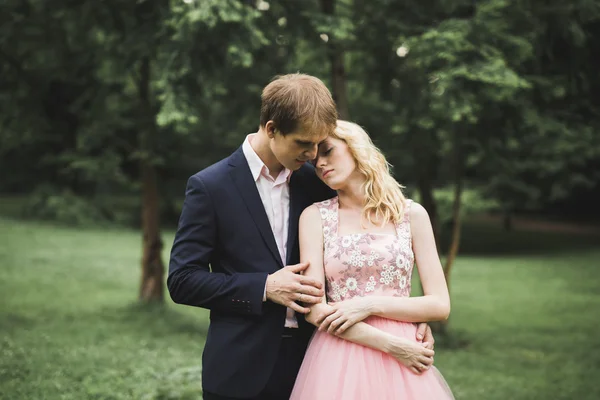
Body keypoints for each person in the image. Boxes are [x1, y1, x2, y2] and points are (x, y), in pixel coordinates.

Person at [168, 73, 436, 400]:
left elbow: (359, 254)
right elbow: (182, 280)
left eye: (318, 145)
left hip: (319, 363)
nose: (312, 154)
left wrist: (404, 321)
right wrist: (264, 287)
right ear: (271, 129)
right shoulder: (211, 187)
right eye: (303, 143)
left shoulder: (316, 180)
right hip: (240, 369)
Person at [290, 120, 455, 399]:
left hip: (406, 359)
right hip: (341, 351)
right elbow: (315, 310)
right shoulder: (314, 217)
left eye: (328, 151)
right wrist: (391, 346)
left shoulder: (412, 215)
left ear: (355, 148)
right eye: (315, 159)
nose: (320, 163)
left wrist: (366, 305)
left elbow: (439, 305)